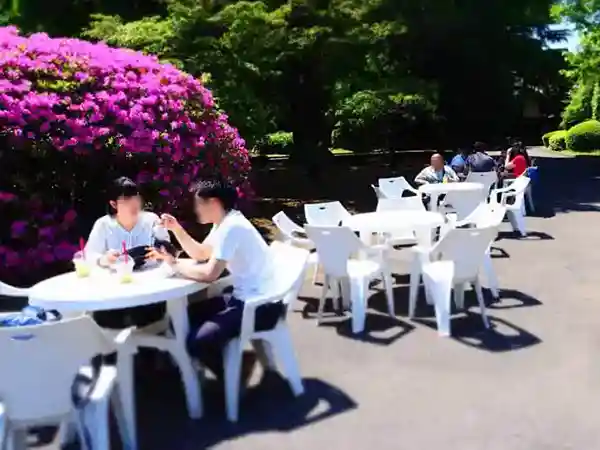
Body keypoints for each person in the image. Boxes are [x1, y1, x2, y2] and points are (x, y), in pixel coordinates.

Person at [146, 178, 280, 380]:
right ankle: (224, 367)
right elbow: (201, 254)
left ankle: (235, 375)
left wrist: (173, 264)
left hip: (260, 306)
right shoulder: (225, 223)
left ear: (214, 203)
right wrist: (176, 229)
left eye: (199, 203)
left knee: (197, 341)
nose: (196, 208)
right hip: (248, 297)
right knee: (181, 319)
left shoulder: (232, 227)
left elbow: (210, 274)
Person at [85, 177, 170, 328]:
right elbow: (88, 256)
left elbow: (167, 250)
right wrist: (104, 259)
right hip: (114, 291)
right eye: (126, 199)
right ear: (114, 204)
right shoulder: (103, 225)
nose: (134, 203)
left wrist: (159, 252)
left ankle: (149, 348)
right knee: (105, 317)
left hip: (149, 287)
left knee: (148, 314)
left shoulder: (151, 221)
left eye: (136, 198)